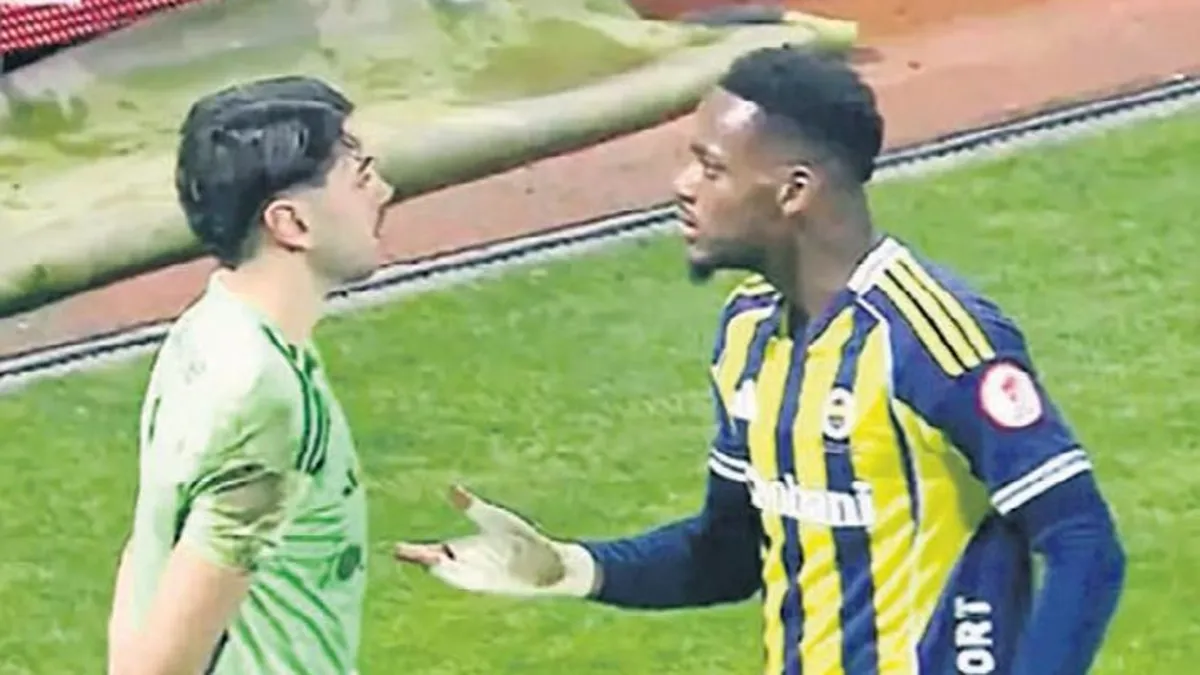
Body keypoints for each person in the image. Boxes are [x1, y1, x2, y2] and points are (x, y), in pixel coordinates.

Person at [394, 46, 1127, 674]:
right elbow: (731, 552)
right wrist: (570, 568)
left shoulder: (932, 339)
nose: (683, 186)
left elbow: (1082, 541)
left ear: (793, 191)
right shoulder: (748, 331)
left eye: (711, 168)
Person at [105, 75, 395, 675]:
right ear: (292, 224)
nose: (385, 193)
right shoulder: (263, 394)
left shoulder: (204, 332)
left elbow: (147, 550)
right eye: (360, 176)